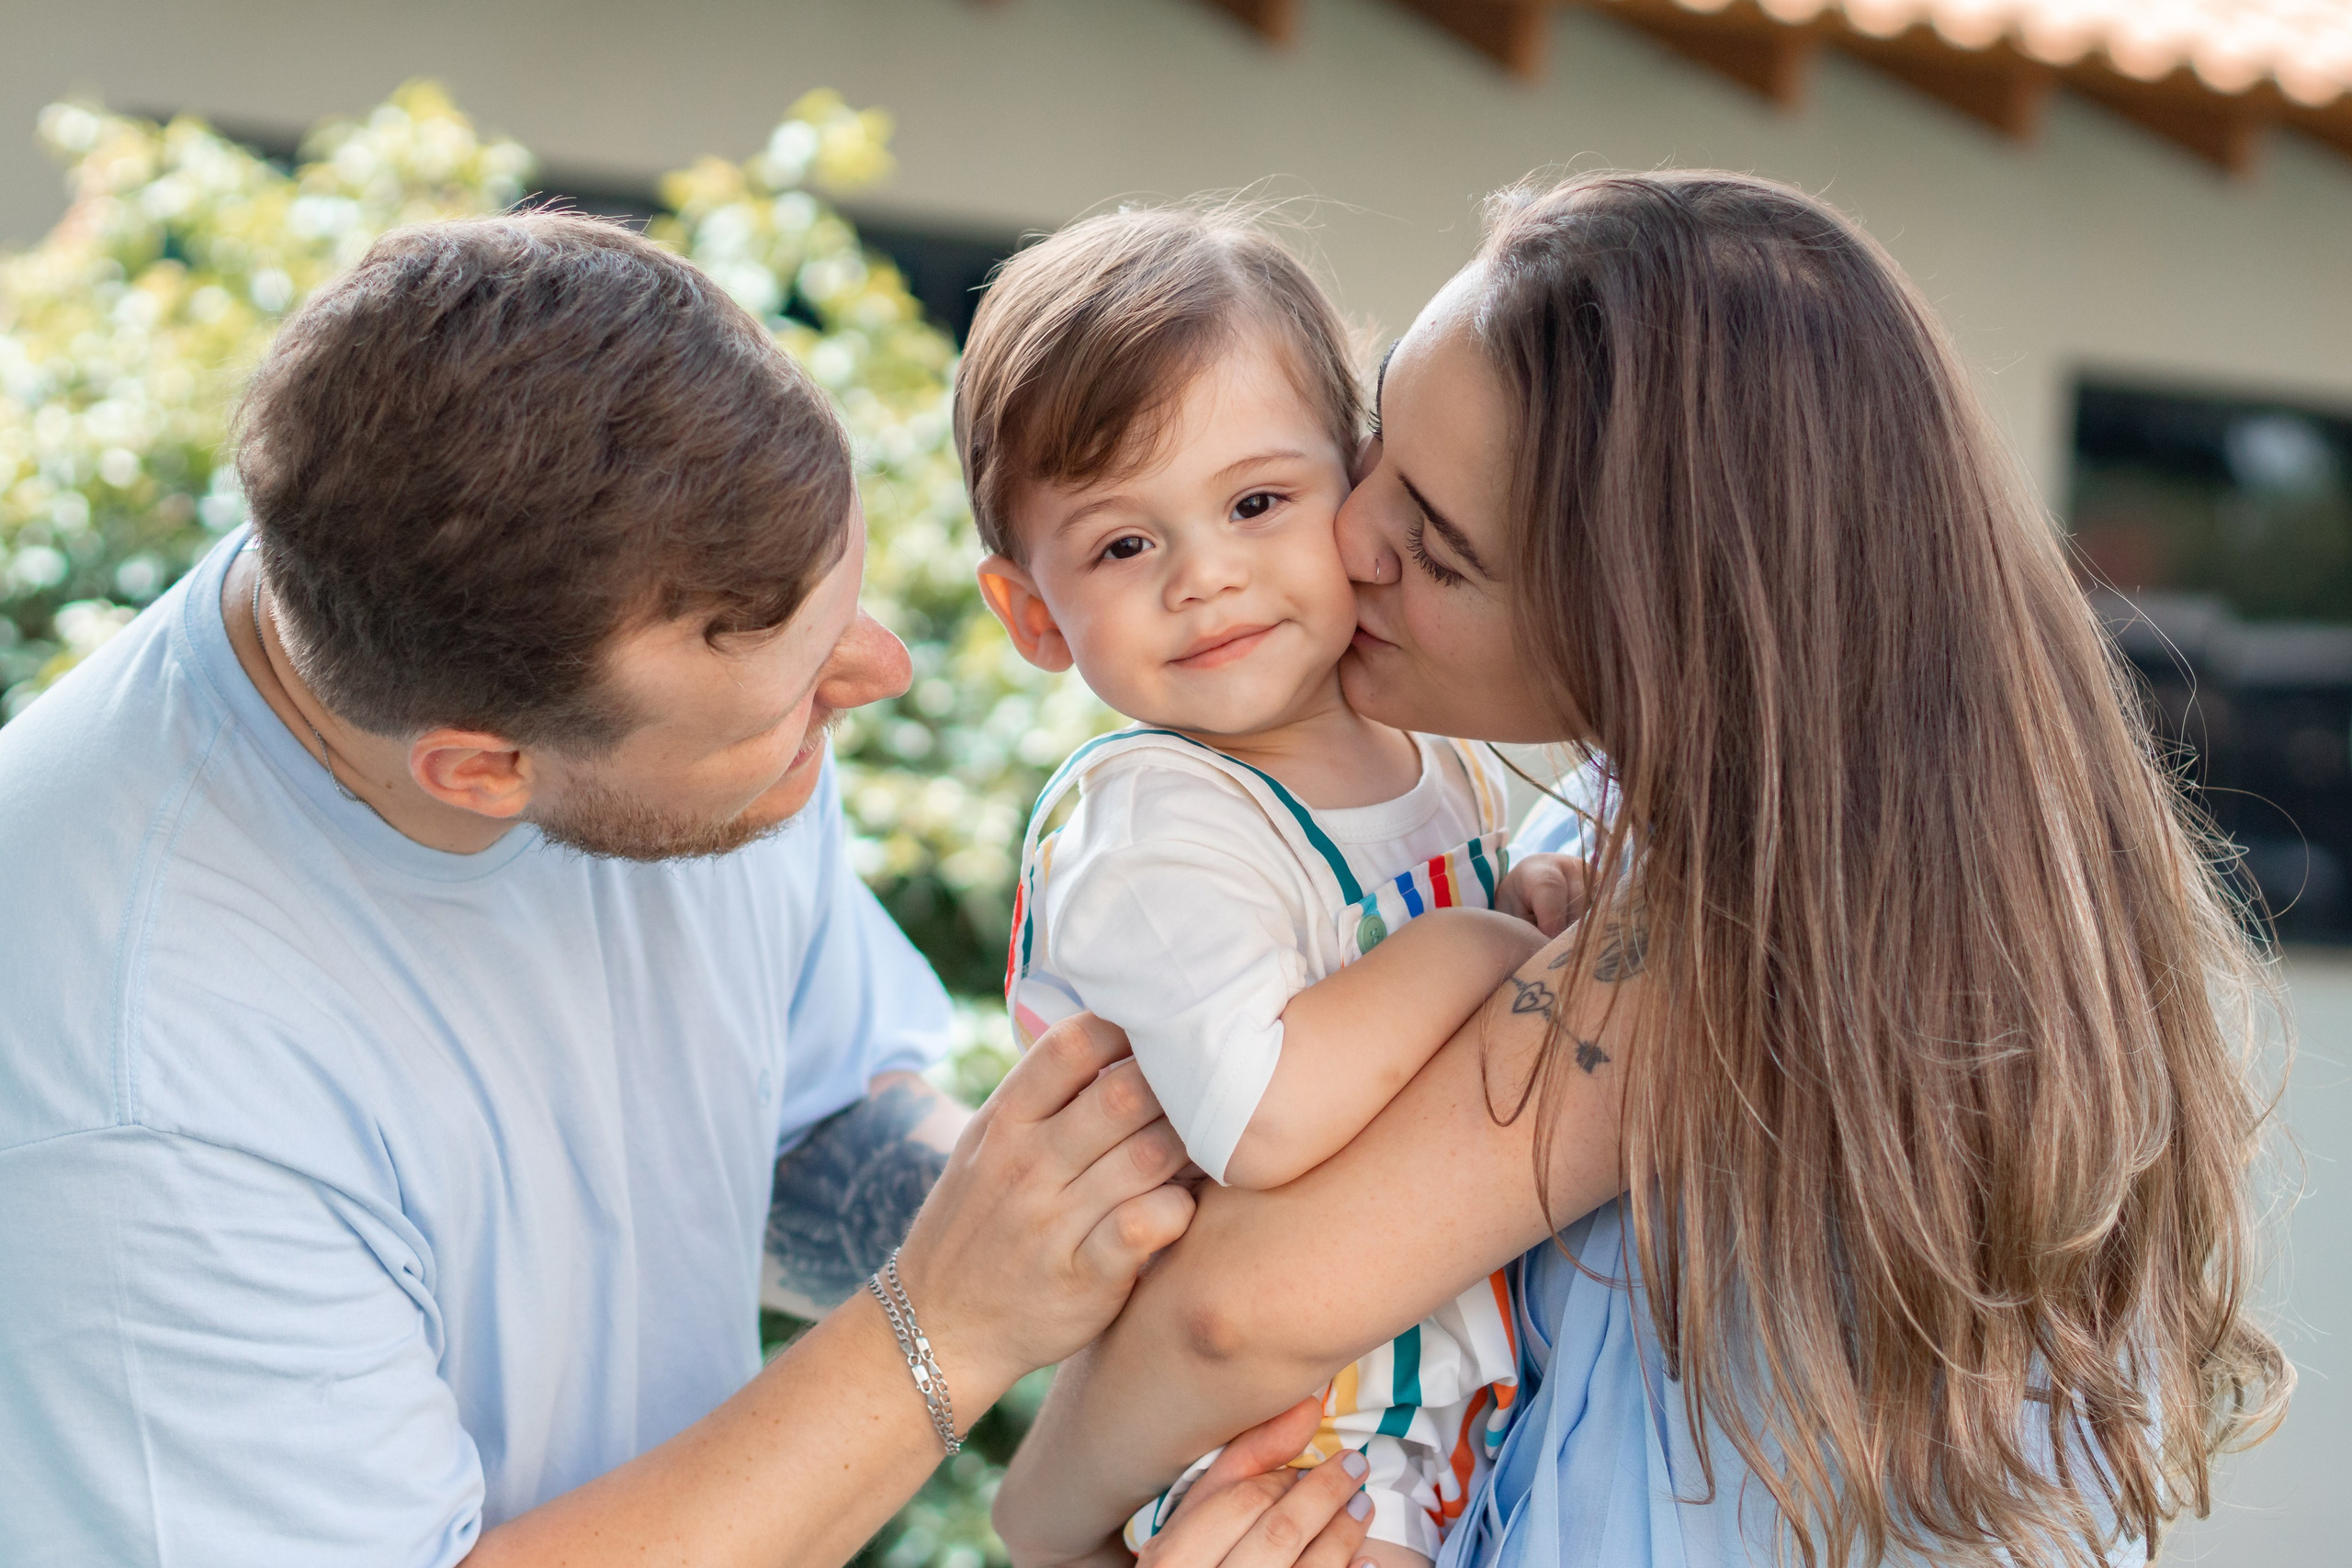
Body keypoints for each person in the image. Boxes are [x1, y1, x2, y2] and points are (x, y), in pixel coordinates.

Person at [0, 211, 1378, 1568]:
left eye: (842, 609)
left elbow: (803, 1133)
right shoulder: (138, 1101)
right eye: (788, 703)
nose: (879, 673)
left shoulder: (538, 616)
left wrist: (1147, 1234)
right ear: (484, 770)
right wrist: (948, 1325)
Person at [991, 171, 2290, 1568]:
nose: (1348, 539)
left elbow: (1236, 1313)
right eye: (1373, 452)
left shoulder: (1738, 920)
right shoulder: (1691, 841)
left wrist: (1042, 1523)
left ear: (1646, 610)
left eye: (1436, 543)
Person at [954, 208, 1586, 1568]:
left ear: (1357, 484)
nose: (1207, 576)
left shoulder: (1429, 752)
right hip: (1291, 1453)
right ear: (1034, 615)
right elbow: (1267, 1113)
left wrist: (1521, 891)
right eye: (1124, 546)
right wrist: (1491, 948)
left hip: (1451, 1412)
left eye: (1255, 504)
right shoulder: (1149, 823)